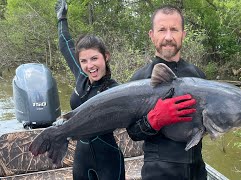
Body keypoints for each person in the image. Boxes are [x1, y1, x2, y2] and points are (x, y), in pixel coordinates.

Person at [126, 5, 207, 180]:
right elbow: (133, 133)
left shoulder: (199, 76)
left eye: (174, 30)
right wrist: (154, 120)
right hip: (157, 173)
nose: (168, 37)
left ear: (183, 34)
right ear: (152, 35)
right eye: (162, 30)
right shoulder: (139, 79)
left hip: (197, 171)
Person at [55, 0, 125, 179]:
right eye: (84, 61)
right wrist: (61, 18)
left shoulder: (116, 91)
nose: (89, 66)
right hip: (81, 159)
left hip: (109, 161)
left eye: (94, 59)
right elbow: (65, 45)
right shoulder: (81, 77)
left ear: (106, 57)